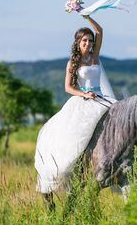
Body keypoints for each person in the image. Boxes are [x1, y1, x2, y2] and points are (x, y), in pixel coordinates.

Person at [34, 15, 116, 194]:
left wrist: (86, 15)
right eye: (84, 40)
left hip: (101, 97)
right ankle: (77, 167)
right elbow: (68, 87)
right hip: (85, 99)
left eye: (90, 40)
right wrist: (84, 94)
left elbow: (100, 31)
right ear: (78, 42)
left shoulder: (95, 56)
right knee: (80, 135)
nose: (88, 43)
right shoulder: (73, 62)